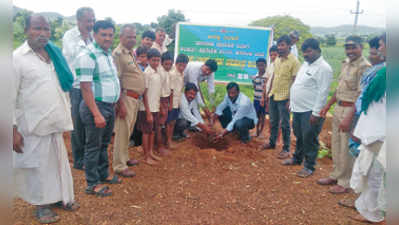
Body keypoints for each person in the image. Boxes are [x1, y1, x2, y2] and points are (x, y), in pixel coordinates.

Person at [13, 14, 78, 224]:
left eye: (46, 29)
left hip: (55, 120)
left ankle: (61, 198)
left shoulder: (54, 54)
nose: (42, 33)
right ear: (26, 30)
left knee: (59, 163)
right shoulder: (17, 58)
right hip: (32, 124)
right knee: (39, 167)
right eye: (37, 28)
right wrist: (11, 130)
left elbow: (64, 86)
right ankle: (41, 206)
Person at [318, 35, 371, 194]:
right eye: (347, 48)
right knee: (336, 144)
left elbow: (361, 96)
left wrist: (350, 117)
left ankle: (345, 182)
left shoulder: (364, 67)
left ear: (361, 47)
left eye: (353, 47)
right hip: (339, 107)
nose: (350, 51)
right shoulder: (346, 63)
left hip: (351, 110)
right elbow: (339, 88)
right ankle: (335, 175)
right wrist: (328, 105)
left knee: (346, 147)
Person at [75, 20, 122, 197]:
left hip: (108, 106)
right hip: (96, 106)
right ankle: (92, 184)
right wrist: (96, 114)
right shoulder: (88, 55)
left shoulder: (107, 54)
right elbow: (85, 88)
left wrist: (114, 103)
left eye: (110, 34)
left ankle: (103, 174)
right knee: (93, 147)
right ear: (94, 35)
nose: (108, 38)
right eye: (103, 34)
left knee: (103, 144)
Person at [348, 33, 386, 223]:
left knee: (379, 175)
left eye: (381, 45)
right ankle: (371, 212)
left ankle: (378, 213)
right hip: (374, 132)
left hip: (382, 133)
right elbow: (370, 104)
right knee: (372, 173)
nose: (379, 49)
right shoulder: (383, 72)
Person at [281, 38, 333, 178]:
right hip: (298, 108)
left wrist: (316, 113)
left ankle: (309, 166)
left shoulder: (324, 68)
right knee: (299, 136)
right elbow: (298, 83)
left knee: (309, 138)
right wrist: (292, 102)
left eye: (309, 51)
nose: (306, 54)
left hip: (310, 111)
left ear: (318, 50)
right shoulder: (305, 64)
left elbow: (323, 92)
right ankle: (297, 158)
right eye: (304, 52)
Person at [62, 7, 95, 170]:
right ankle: (78, 159)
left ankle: (88, 157)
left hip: (90, 86)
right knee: (77, 123)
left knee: (89, 120)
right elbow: (76, 55)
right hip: (76, 86)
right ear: (79, 21)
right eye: (88, 20)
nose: (91, 24)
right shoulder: (70, 36)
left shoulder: (92, 38)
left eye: (93, 20)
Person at [112, 24, 145, 178]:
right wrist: (120, 104)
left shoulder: (130, 52)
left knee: (128, 131)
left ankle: (124, 158)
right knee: (122, 132)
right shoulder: (118, 54)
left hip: (135, 99)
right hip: (126, 98)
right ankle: (119, 165)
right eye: (129, 37)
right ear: (121, 37)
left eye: (134, 36)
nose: (132, 39)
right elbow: (116, 79)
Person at [262, 35, 300, 160]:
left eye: (283, 45)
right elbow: (273, 77)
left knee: (284, 124)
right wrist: (268, 93)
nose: (280, 47)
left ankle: (286, 148)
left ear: (289, 46)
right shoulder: (277, 60)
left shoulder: (294, 61)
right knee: (272, 121)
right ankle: (272, 142)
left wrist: (291, 99)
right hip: (274, 94)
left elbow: (295, 82)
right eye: (279, 45)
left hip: (285, 97)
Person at [136, 48, 163, 165]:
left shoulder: (158, 72)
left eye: (158, 60)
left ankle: (151, 152)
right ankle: (146, 156)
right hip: (146, 108)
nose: (156, 62)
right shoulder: (146, 73)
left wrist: (160, 106)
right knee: (146, 132)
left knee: (152, 131)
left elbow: (157, 91)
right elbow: (144, 93)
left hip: (155, 107)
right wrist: (147, 112)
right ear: (148, 60)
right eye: (153, 60)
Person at [166, 54, 189, 148]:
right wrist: (170, 104)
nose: (182, 67)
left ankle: (169, 140)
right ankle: (168, 141)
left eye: (184, 66)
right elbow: (170, 90)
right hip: (172, 103)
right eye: (180, 65)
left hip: (177, 102)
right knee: (169, 123)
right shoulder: (172, 74)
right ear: (176, 64)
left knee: (173, 122)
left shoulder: (182, 74)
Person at [156, 51, 174, 155]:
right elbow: (158, 91)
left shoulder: (168, 73)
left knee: (162, 124)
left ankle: (162, 145)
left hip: (166, 100)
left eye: (170, 64)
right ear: (161, 63)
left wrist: (169, 103)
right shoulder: (160, 73)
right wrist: (161, 106)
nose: (168, 66)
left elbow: (170, 89)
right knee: (159, 125)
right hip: (161, 100)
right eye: (166, 64)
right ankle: (159, 147)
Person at [252, 58, 268, 137]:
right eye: (258, 65)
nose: (260, 67)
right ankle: (257, 131)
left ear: (266, 65)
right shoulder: (255, 77)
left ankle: (261, 132)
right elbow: (254, 87)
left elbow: (267, 89)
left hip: (264, 100)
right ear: (256, 66)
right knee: (257, 115)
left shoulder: (267, 77)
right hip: (256, 99)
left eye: (262, 65)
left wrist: (266, 99)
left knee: (263, 116)